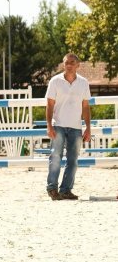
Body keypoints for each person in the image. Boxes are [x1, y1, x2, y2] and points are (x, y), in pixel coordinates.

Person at [45, 53, 91, 201]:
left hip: (76, 127)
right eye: (66, 63)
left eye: (72, 62)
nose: (69, 65)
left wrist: (88, 127)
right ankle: (52, 188)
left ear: (78, 65)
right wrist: (49, 125)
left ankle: (66, 190)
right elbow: (49, 104)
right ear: (63, 64)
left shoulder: (83, 83)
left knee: (73, 160)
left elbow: (85, 106)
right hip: (58, 124)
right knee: (56, 157)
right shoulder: (55, 81)